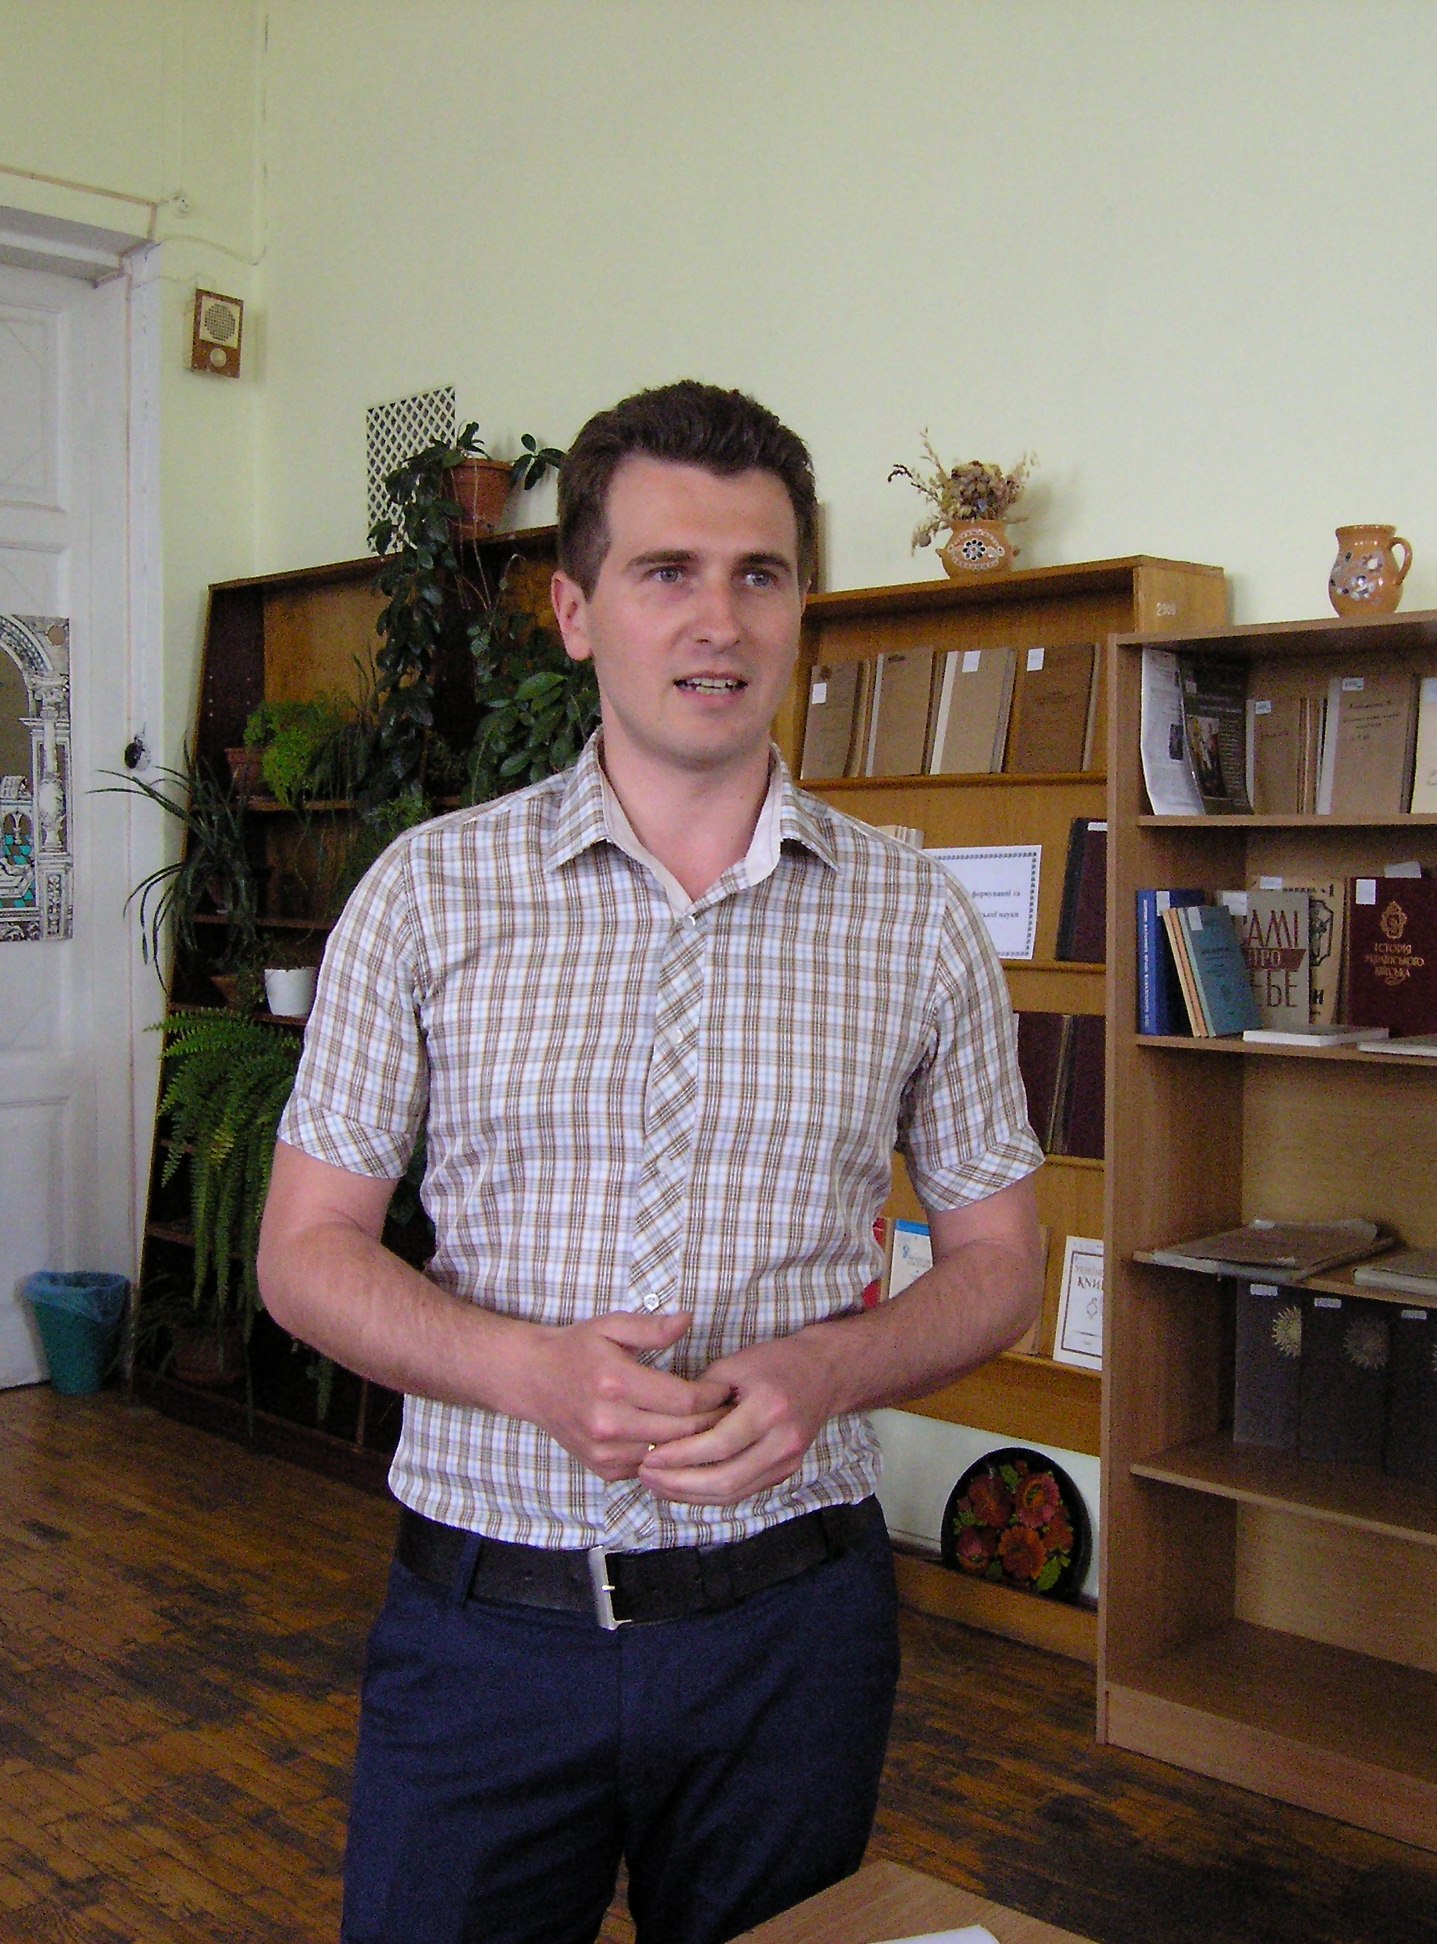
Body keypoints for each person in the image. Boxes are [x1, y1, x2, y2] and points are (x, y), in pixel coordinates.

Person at [257, 378, 1044, 1944]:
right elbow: (304, 1252)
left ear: (802, 611)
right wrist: (525, 1371)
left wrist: (824, 1372)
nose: (717, 621)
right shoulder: (428, 894)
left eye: (759, 575)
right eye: (664, 571)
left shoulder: (914, 918)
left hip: (791, 1639)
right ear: (574, 613)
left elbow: (999, 1265)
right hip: (486, 1630)